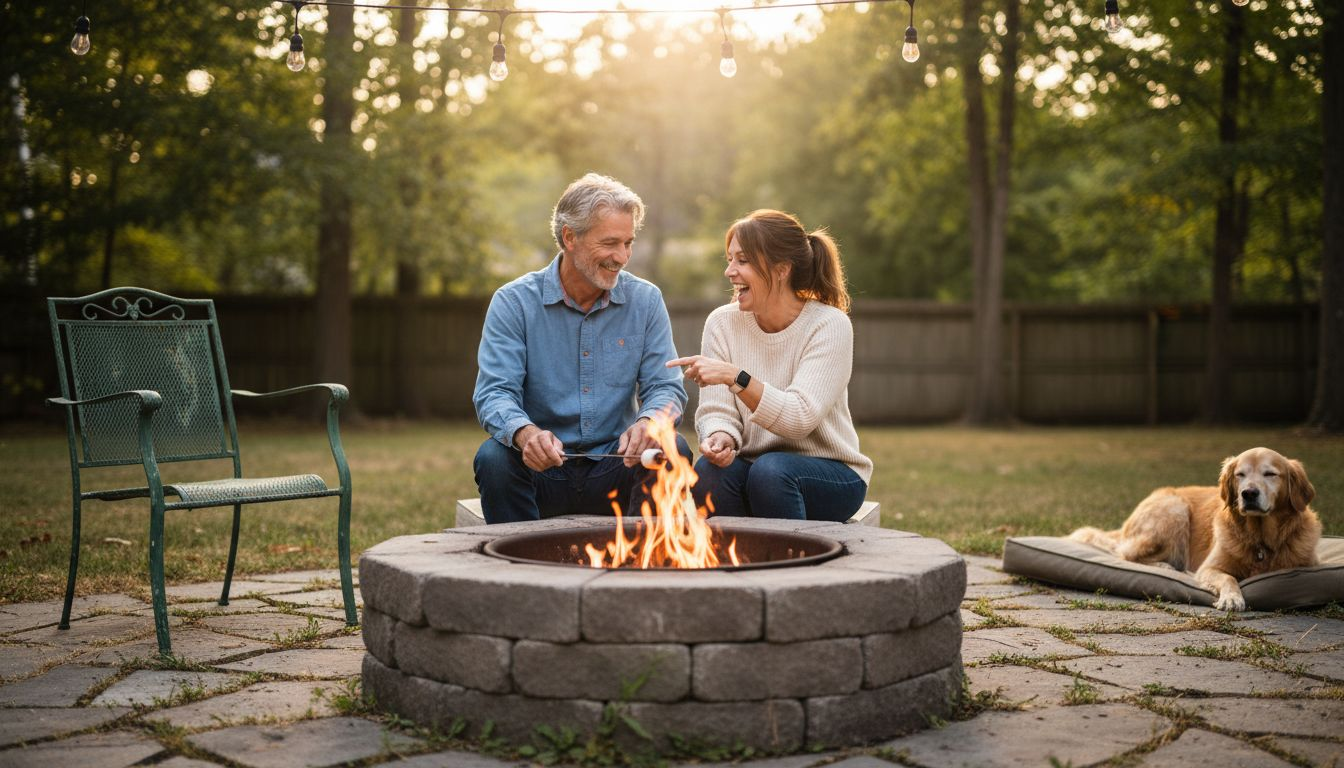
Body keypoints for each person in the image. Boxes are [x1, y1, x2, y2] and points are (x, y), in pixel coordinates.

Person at [473, 173, 690, 523]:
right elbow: (494, 393)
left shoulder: (646, 300)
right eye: (610, 243)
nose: (622, 256)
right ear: (569, 238)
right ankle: (520, 571)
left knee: (670, 448)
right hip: (542, 470)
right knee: (494, 459)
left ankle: (641, 568)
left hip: (617, 464)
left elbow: (666, 387)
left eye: (628, 243)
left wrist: (650, 422)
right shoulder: (514, 303)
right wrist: (526, 435)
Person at [668, 209, 872, 522]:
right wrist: (721, 436)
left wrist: (735, 377)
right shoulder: (722, 323)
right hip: (755, 468)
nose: (730, 271)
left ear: (781, 269)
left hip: (830, 472)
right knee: (708, 473)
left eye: (743, 261)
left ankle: (790, 565)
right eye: (729, 259)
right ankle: (735, 566)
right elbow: (716, 412)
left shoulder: (829, 325)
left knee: (772, 472)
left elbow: (799, 418)